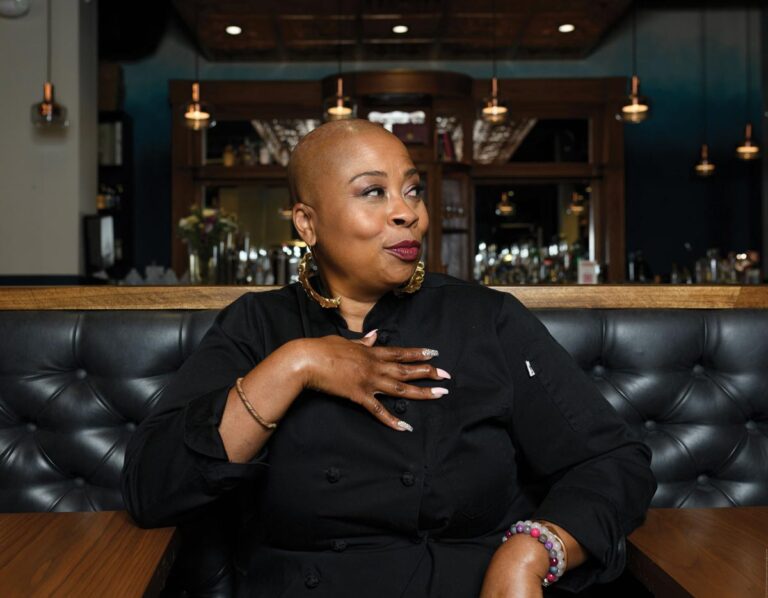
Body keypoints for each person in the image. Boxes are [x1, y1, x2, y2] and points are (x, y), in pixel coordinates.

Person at [122, 119, 656, 597]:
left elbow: (613, 462)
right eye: (373, 192)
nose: (408, 214)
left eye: (412, 190)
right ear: (306, 223)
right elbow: (153, 486)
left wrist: (531, 552)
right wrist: (298, 364)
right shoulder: (257, 326)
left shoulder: (486, 318)